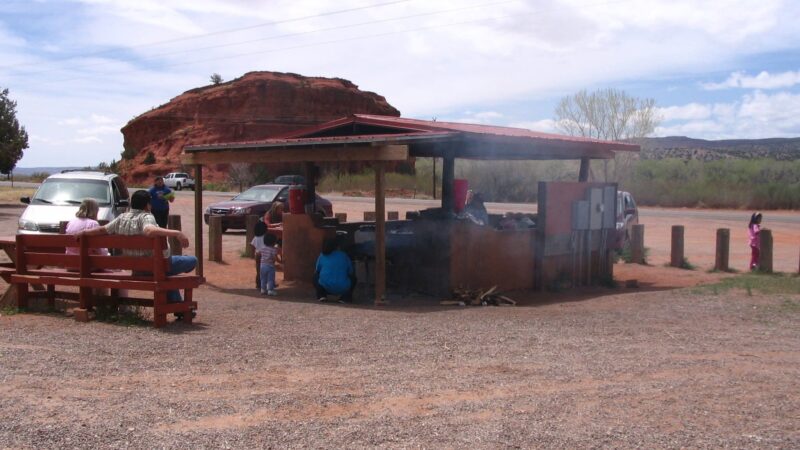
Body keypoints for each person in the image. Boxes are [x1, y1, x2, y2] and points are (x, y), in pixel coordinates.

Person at [79, 190, 196, 306]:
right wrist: (176, 233)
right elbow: (149, 230)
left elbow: (102, 229)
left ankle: (177, 305)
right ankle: (178, 305)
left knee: (167, 274)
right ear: (147, 205)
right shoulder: (146, 216)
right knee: (193, 261)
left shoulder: (121, 218)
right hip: (156, 266)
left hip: (137, 268)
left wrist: (84, 232)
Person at [314, 238, 356, 303]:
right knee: (354, 279)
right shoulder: (344, 255)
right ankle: (345, 297)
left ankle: (321, 295)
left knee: (315, 276)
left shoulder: (322, 255)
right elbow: (351, 272)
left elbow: (317, 271)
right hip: (343, 287)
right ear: (337, 246)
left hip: (325, 286)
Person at [251, 232, 279, 296]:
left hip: (262, 266)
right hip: (270, 266)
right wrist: (279, 262)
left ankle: (263, 290)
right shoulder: (273, 250)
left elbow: (258, 253)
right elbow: (275, 258)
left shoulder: (262, 248)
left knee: (263, 278)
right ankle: (270, 290)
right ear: (274, 242)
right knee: (270, 279)